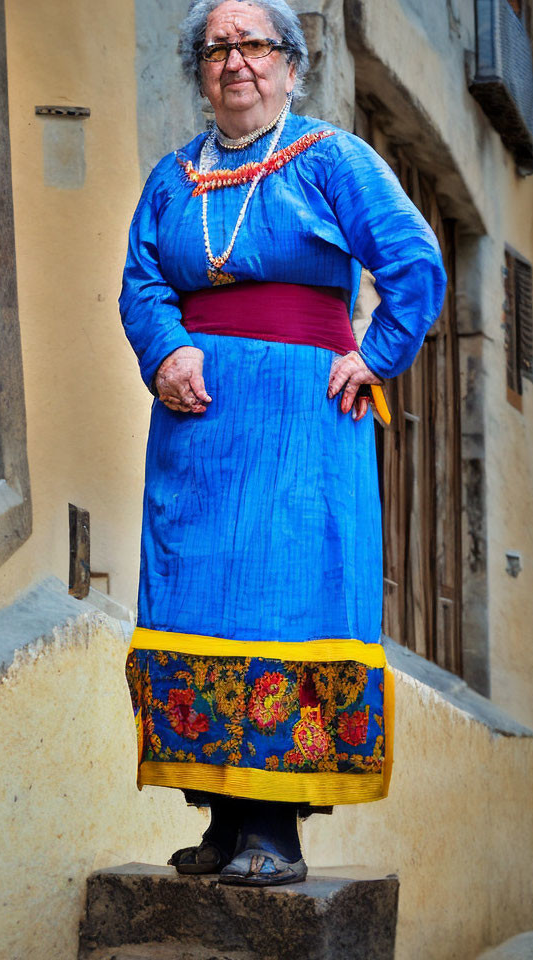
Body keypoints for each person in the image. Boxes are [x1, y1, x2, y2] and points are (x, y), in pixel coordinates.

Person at [119, 0, 446, 886]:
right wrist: (166, 349)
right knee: (203, 604)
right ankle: (225, 824)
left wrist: (374, 358)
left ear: (291, 66)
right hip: (199, 433)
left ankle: (277, 835)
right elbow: (142, 282)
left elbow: (416, 263)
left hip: (302, 428)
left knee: (282, 601)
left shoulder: (333, 158)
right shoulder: (171, 178)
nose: (237, 63)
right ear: (200, 71)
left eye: (255, 46)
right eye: (218, 49)